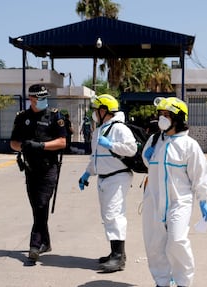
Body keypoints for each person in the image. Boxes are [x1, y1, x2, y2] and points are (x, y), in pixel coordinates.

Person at [141, 97, 207, 287]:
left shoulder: (189, 145)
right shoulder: (154, 140)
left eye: (167, 115)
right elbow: (147, 162)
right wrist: (149, 151)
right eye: (161, 115)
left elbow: (200, 174)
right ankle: (162, 281)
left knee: (177, 239)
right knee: (154, 242)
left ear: (178, 119)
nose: (162, 119)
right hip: (153, 199)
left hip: (179, 201)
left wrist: (203, 199)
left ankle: (183, 282)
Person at [78, 94, 137, 272]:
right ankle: (115, 253)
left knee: (114, 215)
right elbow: (95, 157)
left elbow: (131, 149)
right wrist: (87, 173)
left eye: (97, 110)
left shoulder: (119, 129)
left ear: (104, 110)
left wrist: (111, 144)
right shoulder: (99, 130)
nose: (95, 113)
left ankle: (118, 257)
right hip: (104, 178)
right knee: (107, 216)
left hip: (117, 177)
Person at [10, 84, 66, 262]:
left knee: (42, 204)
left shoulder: (55, 115)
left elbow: (62, 142)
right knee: (37, 207)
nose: (43, 100)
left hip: (49, 167)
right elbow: (13, 143)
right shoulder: (22, 117)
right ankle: (46, 242)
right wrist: (24, 146)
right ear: (31, 99)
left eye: (45, 97)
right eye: (40, 98)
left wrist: (41, 146)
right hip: (30, 168)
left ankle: (34, 245)